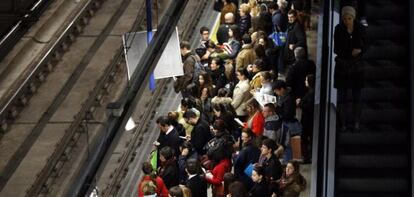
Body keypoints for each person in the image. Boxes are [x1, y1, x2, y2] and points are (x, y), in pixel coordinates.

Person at [334, 6, 365, 132]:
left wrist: (360, 50)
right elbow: (336, 49)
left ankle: (356, 122)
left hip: (357, 67)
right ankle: (343, 124)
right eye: (345, 18)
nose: (347, 21)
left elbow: (366, 44)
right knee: (342, 98)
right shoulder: (339, 29)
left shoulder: (361, 28)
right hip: (342, 67)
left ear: (354, 17)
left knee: (357, 96)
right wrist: (350, 52)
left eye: (350, 18)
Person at [296, 74, 314, 163]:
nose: (305, 82)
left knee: (305, 139)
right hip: (308, 119)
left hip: (308, 120)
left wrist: (300, 103)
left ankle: (307, 157)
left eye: (306, 80)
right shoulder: (310, 92)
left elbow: (309, 106)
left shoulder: (311, 93)